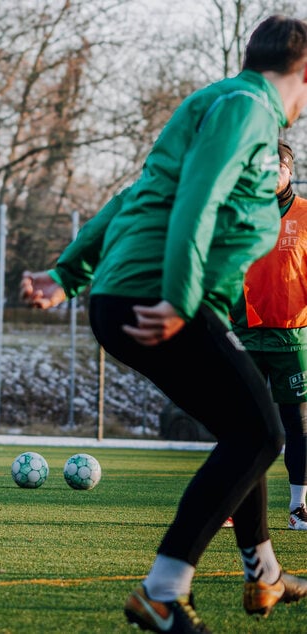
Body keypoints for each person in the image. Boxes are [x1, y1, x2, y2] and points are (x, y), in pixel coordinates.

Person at [20, 15, 307, 633]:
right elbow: (197, 200)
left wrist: (68, 273)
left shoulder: (218, 102)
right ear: (303, 71)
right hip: (160, 297)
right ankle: (162, 592)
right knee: (260, 435)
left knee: (245, 426)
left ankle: (264, 575)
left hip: (136, 292)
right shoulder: (247, 110)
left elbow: (135, 194)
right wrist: (179, 298)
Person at [232, 140, 307, 531]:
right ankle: (231, 504)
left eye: (275, 167)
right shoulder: (241, 214)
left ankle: (298, 508)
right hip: (244, 334)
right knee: (240, 423)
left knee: (296, 424)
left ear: (288, 170)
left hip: (292, 338)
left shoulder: (306, 215)